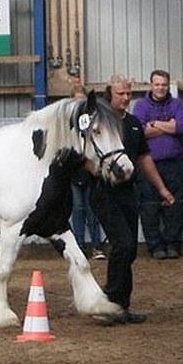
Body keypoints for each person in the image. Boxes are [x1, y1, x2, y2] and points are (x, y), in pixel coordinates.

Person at [88, 75, 175, 326]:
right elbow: (83, 155)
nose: (126, 98)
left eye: (128, 94)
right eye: (121, 94)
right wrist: (98, 172)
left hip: (128, 192)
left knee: (129, 251)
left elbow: (143, 158)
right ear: (109, 94)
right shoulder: (99, 122)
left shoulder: (135, 124)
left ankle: (121, 306)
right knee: (123, 245)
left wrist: (162, 189)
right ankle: (108, 303)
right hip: (104, 192)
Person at [132, 69, 183, 259]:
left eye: (164, 85)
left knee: (175, 206)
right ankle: (155, 246)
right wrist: (168, 126)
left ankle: (172, 245)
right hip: (147, 164)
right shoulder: (140, 105)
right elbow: (139, 132)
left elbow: (181, 127)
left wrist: (154, 124)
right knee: (149, 206)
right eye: (157, 84)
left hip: (174, 164)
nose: (160, 88)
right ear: (151, 85)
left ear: (168, 86)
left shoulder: (177, 104)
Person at [69, 83, 106, 260]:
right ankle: (79, 245)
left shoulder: (91, 123)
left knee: (92, 209)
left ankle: (97, 246)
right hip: (75, 173)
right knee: (78, 209)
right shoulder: (70, 126)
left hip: (89, 173)